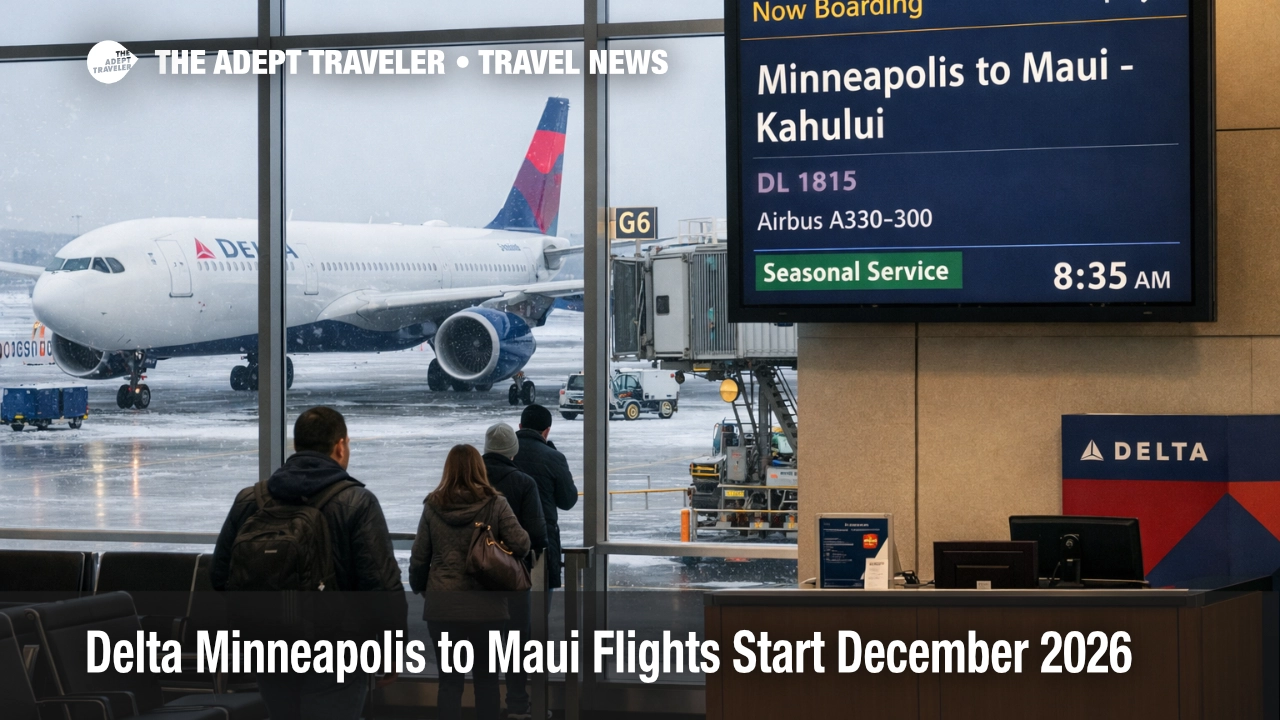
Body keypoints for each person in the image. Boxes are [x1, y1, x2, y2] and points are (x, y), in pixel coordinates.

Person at [211, 406, 407, 720]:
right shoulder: (356, 502)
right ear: (340, 446)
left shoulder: (251, 499)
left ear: (296, 446)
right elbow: (380, 585)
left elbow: (221, 575)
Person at [410, 444, 532, 720]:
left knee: (450, 683)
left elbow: (420, 556)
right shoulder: (496, 504)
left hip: (443, 606)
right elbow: (522, 544)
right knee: (487, 681)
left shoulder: (432, 505)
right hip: (487, 608)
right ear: (480, 469)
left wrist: (422, 588)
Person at [481, 423, 547, 720]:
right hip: (512, 578)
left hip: (475, 580)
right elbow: (536, 535)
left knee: (483, 647)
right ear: (513, 451)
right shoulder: (523, 482)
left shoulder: (469, 481)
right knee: (515, 645)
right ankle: (518, 704)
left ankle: (488, 708)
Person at [514, 403, 578, 589]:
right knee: (540, 607)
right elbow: (568, 501)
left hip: (504, 541)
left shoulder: (503, 455)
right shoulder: (553, 458)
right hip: (542, 539)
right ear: (547, 431)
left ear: (520, 427)